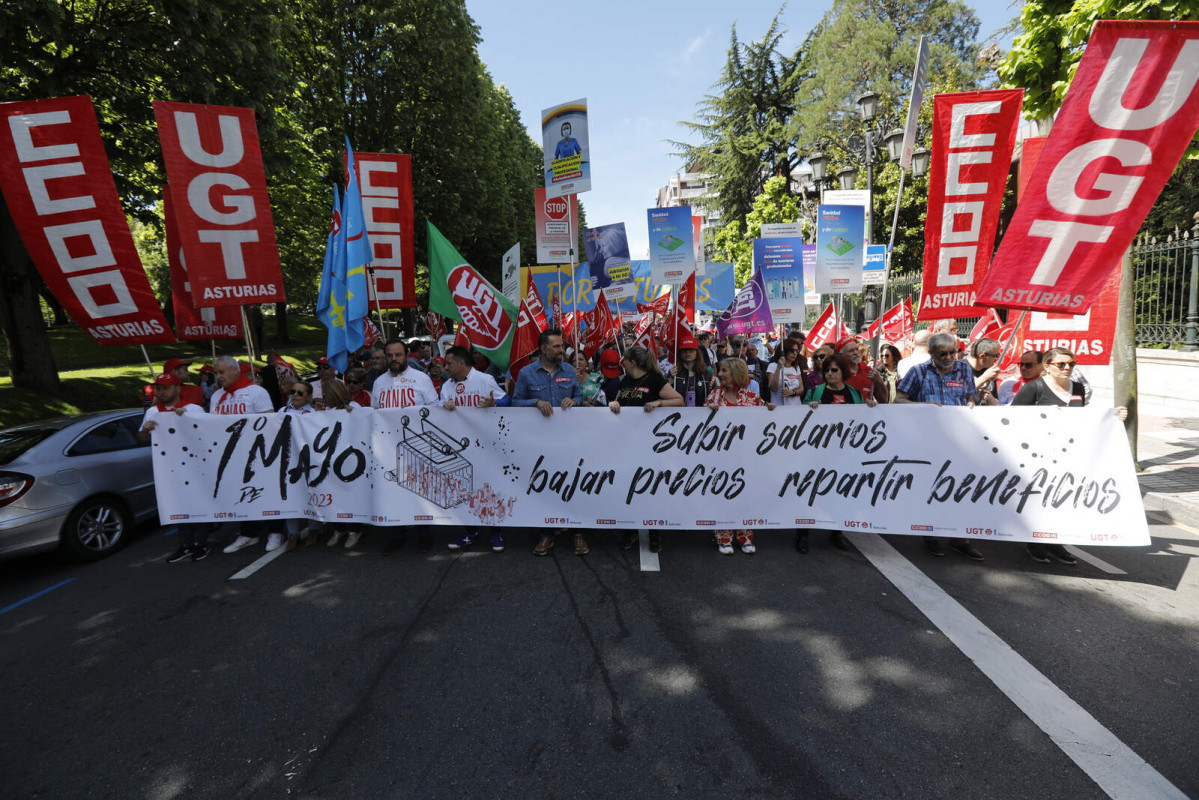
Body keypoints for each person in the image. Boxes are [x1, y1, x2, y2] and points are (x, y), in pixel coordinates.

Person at [1011, 347, 1128, 564]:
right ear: (1047, 366)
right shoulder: (1034, 388)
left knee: (1061, 498)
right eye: (1061, 364)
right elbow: (1012, 419)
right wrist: (1042, 416)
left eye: (1071, 364)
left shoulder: (1078, 388)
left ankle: (1056, 541)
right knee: (1040, 498)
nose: (1067, 368)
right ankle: (1035, 541)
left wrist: (1113, 415)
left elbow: (1083, 418)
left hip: (1067, 454)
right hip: (1038, 454)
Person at [894, 333, 984, 561]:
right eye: (943, 353)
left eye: (953, 352)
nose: (949, 357)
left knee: (961, 488)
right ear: (932, 353)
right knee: (932, 488)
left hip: (960, 442)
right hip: (928, 442)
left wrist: (972, 404)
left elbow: (971, 397)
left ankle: (960, 539)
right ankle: (930, 534)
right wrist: (924, 406)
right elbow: (899, 401)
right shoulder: (918, 372)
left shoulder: (964, 371)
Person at [512, 329, 585, 556]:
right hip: (540, 443)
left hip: (568, 441)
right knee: (544, 486)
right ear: (543, 349)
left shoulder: (570, 370)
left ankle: (578, 532)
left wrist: (573, 401)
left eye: (561, 346)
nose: (562, 350)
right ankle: (547, 534)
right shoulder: (526, 373)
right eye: (556, 346)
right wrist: (535, 402)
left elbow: (580, 397)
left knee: (573, 485)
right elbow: (515, 403)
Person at [798, 356, 878, 555]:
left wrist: (870, 408)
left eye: (834, 370)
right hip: (818, 451)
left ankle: (836, 532)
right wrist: (809, 406)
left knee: (839, 491)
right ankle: (802, 533)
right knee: (811, 491)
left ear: (843, 372)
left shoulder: (854, 393)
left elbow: (862, 418)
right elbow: (800, 417)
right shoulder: (815, 391)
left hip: (844, 453)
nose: (830, 374)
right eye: (827, 371)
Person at [608, 346, 685, 553]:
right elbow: (619, 401)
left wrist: (659, 402)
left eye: (625, 359)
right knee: (628, 486)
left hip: (651, 445)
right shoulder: (625, 380)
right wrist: (614, 404)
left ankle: (653, 532)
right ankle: (631, 529)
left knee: (650, 488)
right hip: (626, 444)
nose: (622, 361)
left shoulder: (655, 380)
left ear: (633, 362)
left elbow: (679, 400)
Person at [373, 337, 440, 552]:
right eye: (390, 355)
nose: (394, 359)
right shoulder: (378, 382)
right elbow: (375, 414)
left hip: (417, 444)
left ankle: (424, 533)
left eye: (398, 354)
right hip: (388, 447)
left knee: (420, 490)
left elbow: (433, 409)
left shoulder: (421, 378)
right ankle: (397, 533)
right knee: (393, 492)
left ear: (406, 355)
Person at [208, 355, 281, 553]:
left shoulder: (256, 392)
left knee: (267, 492)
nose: (218, 377)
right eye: (216, 373)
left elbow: (269, 422)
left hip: (257, 452)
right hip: (231, 455)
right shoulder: (216, 397)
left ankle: (276, 531)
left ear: (234, 370)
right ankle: (249, 533)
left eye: (221, 372)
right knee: (241, 494)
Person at [139, 373, 213, 562]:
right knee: (177, 505)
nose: (161, 392)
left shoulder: (193, 408)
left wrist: (188, 420)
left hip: (194, 464)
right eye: (158, 388)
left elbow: (207, 435)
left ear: (178, 389)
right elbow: (142, 439)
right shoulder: (153, 412)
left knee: (197, 503)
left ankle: (201, 542)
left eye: (166, 387)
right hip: (168, 467)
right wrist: (145, 430)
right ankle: (186, 544)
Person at [705, 358, 775, 555]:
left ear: (736, 373)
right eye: (720, 371)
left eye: (724, 371)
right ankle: (723, 536)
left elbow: (766, 421)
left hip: (747, 459)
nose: (720, 374)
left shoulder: (752, 398)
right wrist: (708, 412)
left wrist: (771, 410)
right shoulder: (714, 396)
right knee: (722, 496)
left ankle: (745, 536)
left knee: (746, 496)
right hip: (721, 458)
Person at [837, 338, 888, 403]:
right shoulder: (834, 372)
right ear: (841, 355)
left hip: (866, 413)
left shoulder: (869, 371)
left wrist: (879, 381)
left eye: (857, 349)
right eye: (851, 351)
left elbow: (884, 400)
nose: (856, 353)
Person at [668, 333, 712, 407]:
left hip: (701, 415)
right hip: (678, 415)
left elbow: (714, 394)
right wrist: (670, 380)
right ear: (680, 353)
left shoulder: (706, 374)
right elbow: (665, 395)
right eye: (684, 350)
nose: (688, 353)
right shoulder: (674, 373)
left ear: (697, 352)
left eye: (691, 350)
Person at [767, 340, 806, 407]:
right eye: (792, 351)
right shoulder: (773, 366)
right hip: (779, 407)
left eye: (797, 351)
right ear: (784, 351)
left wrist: (792, 392)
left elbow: (801, 389)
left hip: (796, 407)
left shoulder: (796, 367)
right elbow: (773, 388)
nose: (795, 353)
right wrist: (778, 367)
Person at [966, 338, 1001, 406]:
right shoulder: (959, 368)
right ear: (983, 356)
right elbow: (959, 391)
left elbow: (996, 403)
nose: (996, 359)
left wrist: (990, 397)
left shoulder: (988, 370)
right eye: (995, 356)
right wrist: (984, 377)